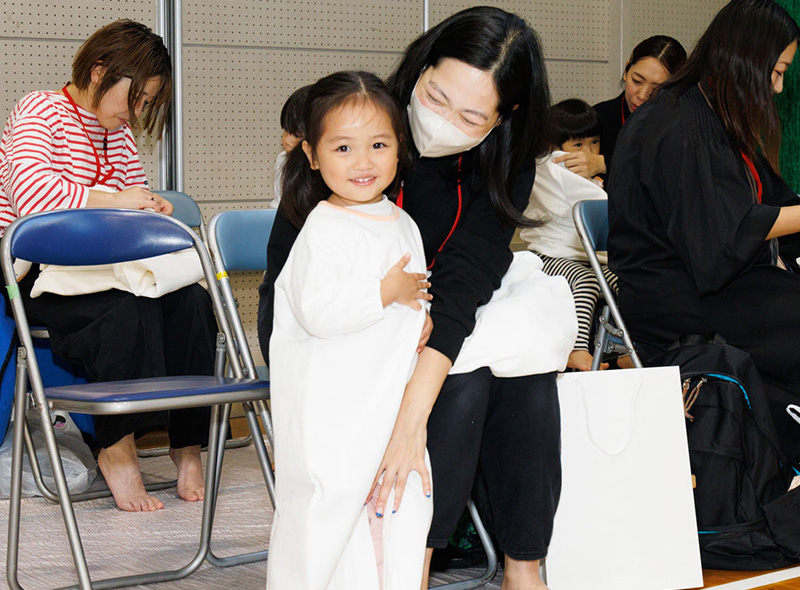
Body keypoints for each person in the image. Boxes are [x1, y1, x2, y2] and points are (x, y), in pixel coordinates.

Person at [259, 7, 563, 589]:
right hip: (331, 340)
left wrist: (410, 415)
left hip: (410, 325)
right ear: (420, 68)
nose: (445, 120)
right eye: (435, 95)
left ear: (505, 116)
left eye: (472, 114)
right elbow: (300, 297)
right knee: (465, 380)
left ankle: (525, 570)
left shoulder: (503, 163)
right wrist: (405, 411)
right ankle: (410, 565)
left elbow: (460, 290)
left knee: (525, 373)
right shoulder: (362, 135)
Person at [0, 20, 216, 512]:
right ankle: (116, 450)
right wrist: (119, 200)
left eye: (147, 103)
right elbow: (34, 202)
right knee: (123, 311)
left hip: (105, 267)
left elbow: (126, 211)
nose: (136, 112)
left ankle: (187, 447)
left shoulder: (117, 136)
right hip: (37, 271)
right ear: (99, 72)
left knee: (193, 305)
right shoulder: (39, 109)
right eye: (135, 98)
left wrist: (147, 210)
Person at [607, 0, 800, 460]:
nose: (775, 89)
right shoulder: (679, 124)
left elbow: (774, 203)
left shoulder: (709, 115)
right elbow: (723, 240)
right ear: (744, 60)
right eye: (774, 72)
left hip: (712, 283)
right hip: (676, 300)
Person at [265, 71, 433, 590]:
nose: (363, 162)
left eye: (378, 145)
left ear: (399, 149)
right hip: (330, 417)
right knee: (322, 521)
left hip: (385, 402)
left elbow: (416, 292)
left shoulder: (402, 222)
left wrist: (419, 320)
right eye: (344, 147)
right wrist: (386, 293)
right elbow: (319, 311)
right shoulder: (323, 226)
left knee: (400, 507)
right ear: (313, 155)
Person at [520, 99, 617, 371]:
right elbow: (610, 210)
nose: (587, 153)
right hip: (549, 255)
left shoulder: (566, 168)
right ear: (554, 146)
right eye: (577, 145)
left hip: (583, 256)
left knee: (623, 281)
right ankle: (575, 348)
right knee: (587, 281)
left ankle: (627, 343)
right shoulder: (555, 166)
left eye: (594, 143)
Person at [555, 35, 686, 183]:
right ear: (626, 70)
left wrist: (604, 163)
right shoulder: (598, 118)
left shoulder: (683, 128)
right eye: (637, 81)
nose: (642, 95)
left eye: (656, 90)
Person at [270, 84, 311, 209]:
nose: (287, 140)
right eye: (286, 131)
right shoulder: (283, 161)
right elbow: (278, 209)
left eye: (297, 135)